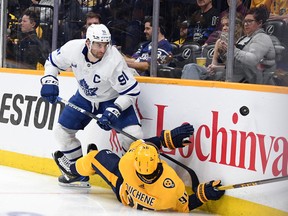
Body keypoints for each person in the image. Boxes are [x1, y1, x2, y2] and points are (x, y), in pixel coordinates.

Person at [40, 24, 143, 187]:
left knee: (133, 134)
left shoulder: (114, 60)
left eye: (105, 45)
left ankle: (129, 177)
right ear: (88, 43)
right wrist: (49, 80)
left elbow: (132, 91)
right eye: (98, 45)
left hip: (112, 98)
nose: (103, 49)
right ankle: (77, 173)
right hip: (84, 97)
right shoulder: (73, 48)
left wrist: (115, 109)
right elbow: (52, 62)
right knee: (62, 132)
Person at [52, 123, 226, 212]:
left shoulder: (128, 163)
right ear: (158, 162)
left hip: (122, 187)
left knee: (96, 157)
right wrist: (204, 195)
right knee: (100, 160)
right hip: (131, 198)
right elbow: (186, 205)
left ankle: (72, 171)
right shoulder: (171, 183)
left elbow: (141, 144)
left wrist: (167, 139)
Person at [181, 14, 244, 81]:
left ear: (237, 26)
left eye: (227, 25)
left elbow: (239, 69)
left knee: (220, 74)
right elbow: (214, 64)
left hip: (230, 74)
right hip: (215, 72)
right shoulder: (219, 42)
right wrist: (212, 67)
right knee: (190, 67)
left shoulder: (242, 42)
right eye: (223, 25)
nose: (224, 28)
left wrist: (216, 68)